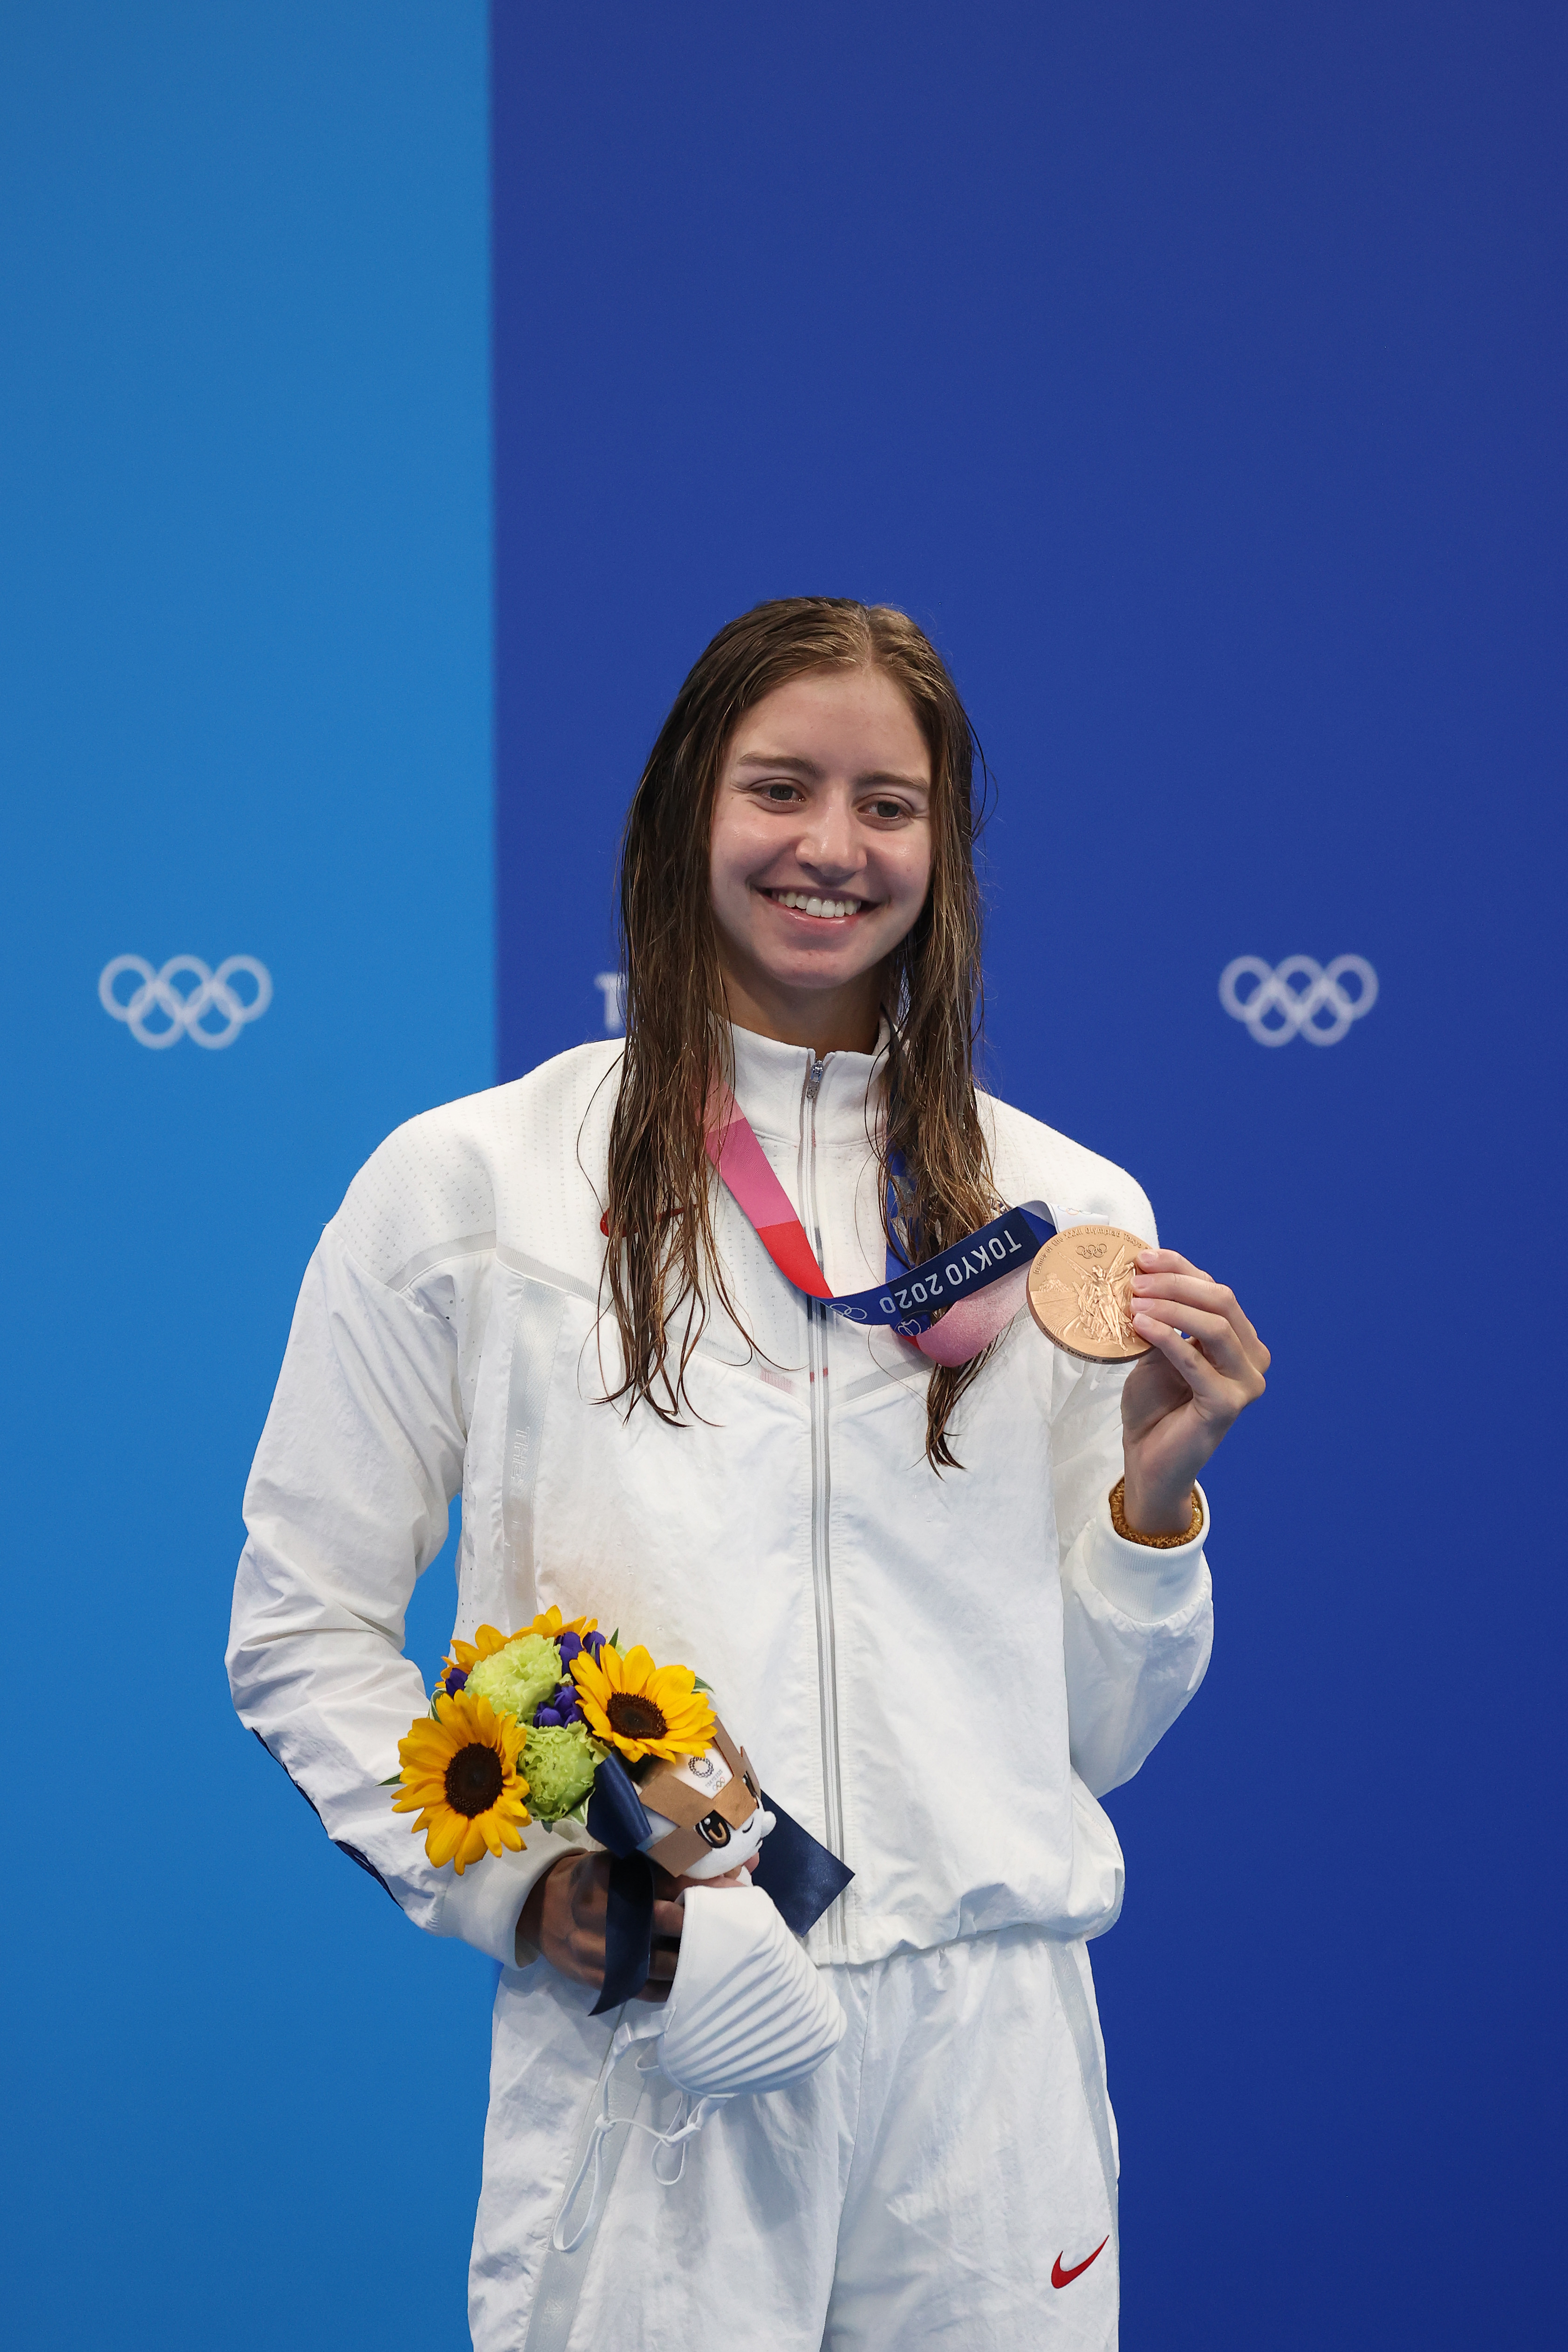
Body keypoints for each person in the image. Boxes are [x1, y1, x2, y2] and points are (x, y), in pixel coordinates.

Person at [228, 598, 1268, 2351]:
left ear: (945, 848)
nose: (830, 849)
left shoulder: (1069, 1218)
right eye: (780, 788)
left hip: (988, 2065)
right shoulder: (474, 1183)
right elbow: (298, 1624)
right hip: (672, 2027)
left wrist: (1153, 1510)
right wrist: (518, 1888)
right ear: (683, 813)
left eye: (889, 804)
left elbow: (1094, 1738)